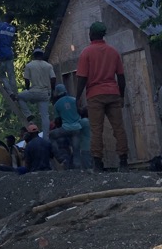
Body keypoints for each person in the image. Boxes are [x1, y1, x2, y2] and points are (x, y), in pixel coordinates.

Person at [76, 21, 128, 172]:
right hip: (113, 93)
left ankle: (98, 163)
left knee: (96, 129)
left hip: (95, 95)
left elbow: (82, 78)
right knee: (118, 128)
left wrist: (77, 97)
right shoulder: (113, 52)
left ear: (91, 34)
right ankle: (123, 161)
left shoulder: (86, 52)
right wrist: (121, 95)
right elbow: (121, 77)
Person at [18, 48, 56, 139]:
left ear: (33, 56)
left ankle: (28, 114)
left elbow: (26, 80)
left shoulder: (29, 65)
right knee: (45, 116)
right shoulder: (48, 66)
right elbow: (53, 78)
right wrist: (52, 90)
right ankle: (46, 138)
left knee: (19, 97)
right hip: (45, 93)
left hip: (34, 91)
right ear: (42, 55)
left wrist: (27, 89)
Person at [53, 83, 82, 169]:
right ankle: (78, 169)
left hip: (66, 129)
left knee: (51, 136)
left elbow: (57, 121)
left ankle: (60, 158)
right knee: (76, 150)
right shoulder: (74, 100)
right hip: (78, 128)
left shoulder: (57, 104)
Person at [0, 13, 18, 99]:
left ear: (4, 17)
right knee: (11, 75)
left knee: (2, 75)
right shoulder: (13, 29)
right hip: (9, 53)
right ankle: (15, 92)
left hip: (0, 54)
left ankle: (10, 93)